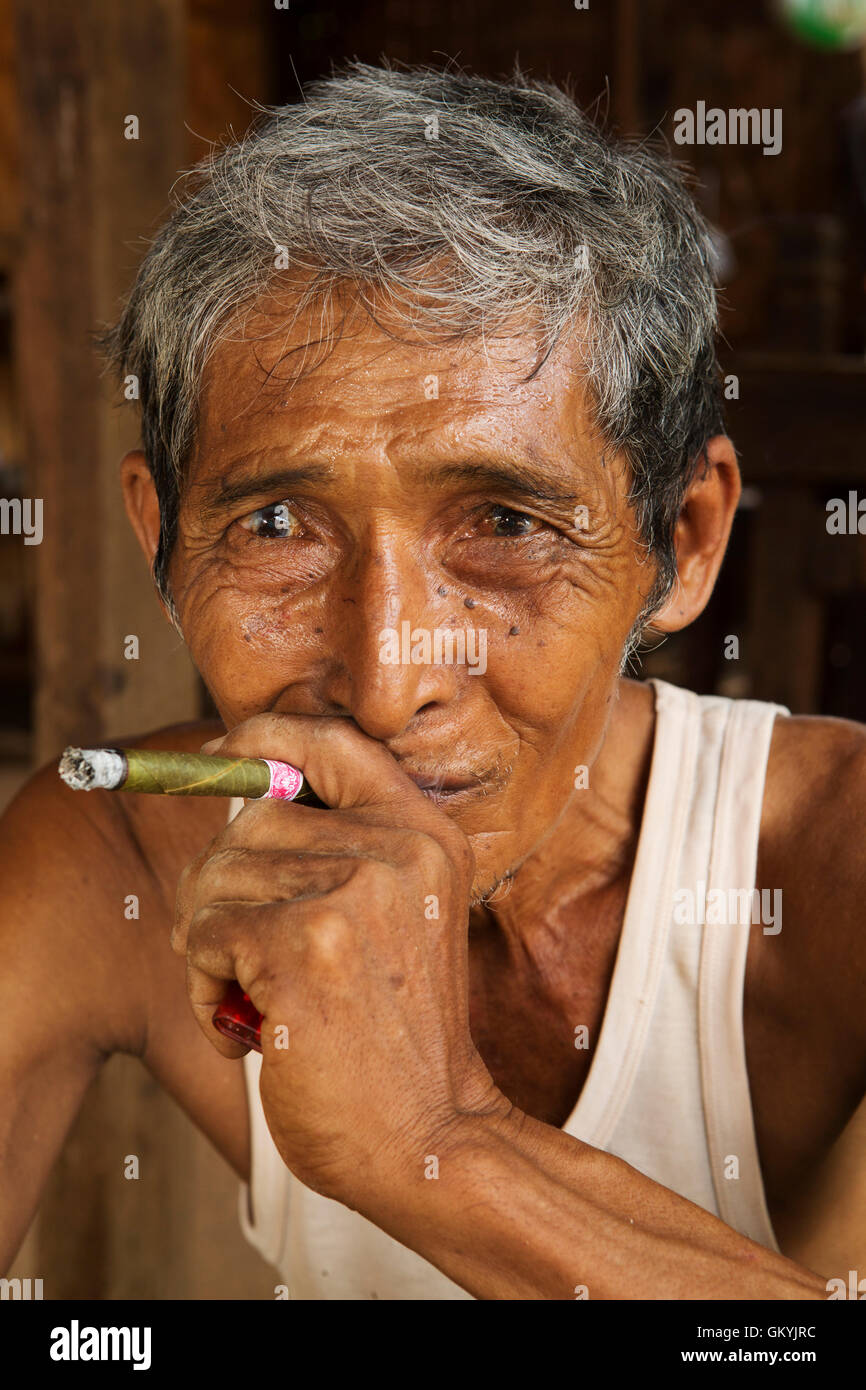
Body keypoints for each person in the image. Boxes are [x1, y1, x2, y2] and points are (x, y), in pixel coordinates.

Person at [1, 62, 863, 1300]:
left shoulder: (832, 871)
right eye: (278, 524)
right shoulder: (118, 862)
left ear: (679, 545)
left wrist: (437, 1138)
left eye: (505, 524)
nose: (387, 675)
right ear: (162, 542)